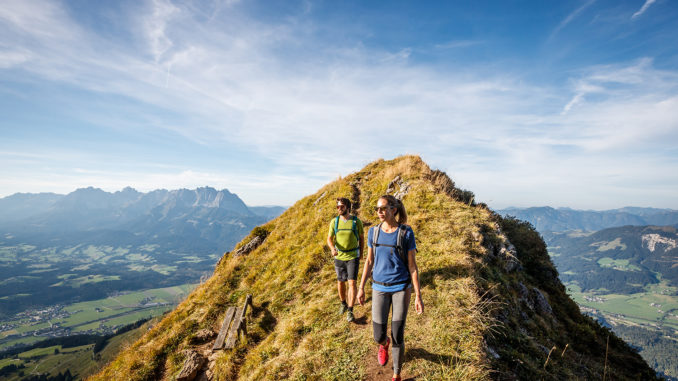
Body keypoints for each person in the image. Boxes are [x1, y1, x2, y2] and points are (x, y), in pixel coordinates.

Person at [357, 195, 424, 381]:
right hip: (378, 288)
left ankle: (396, 374)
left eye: (383, 208)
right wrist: (361, 287)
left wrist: (418, 295)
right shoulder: (373, 232)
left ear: (393, 210)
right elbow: (369, 261)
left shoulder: (406, 233)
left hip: (401, 288)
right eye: (377, 208)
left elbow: (412, 266)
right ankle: (383, 344)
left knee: (398, 334)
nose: (379, 212)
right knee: (378, 335)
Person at [327, 197, 364, 322]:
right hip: (339, 257)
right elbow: (329, 238)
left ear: (348, 207)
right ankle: (343, 303)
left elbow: (361, 238)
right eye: (337, 206)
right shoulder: (334, 222)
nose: (339, 209)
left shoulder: (356, 221)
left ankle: (350, 310)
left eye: (341, 206)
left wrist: (361, 253)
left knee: (352, 283)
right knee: (341, 282)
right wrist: (332, 248)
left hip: (353, 256)